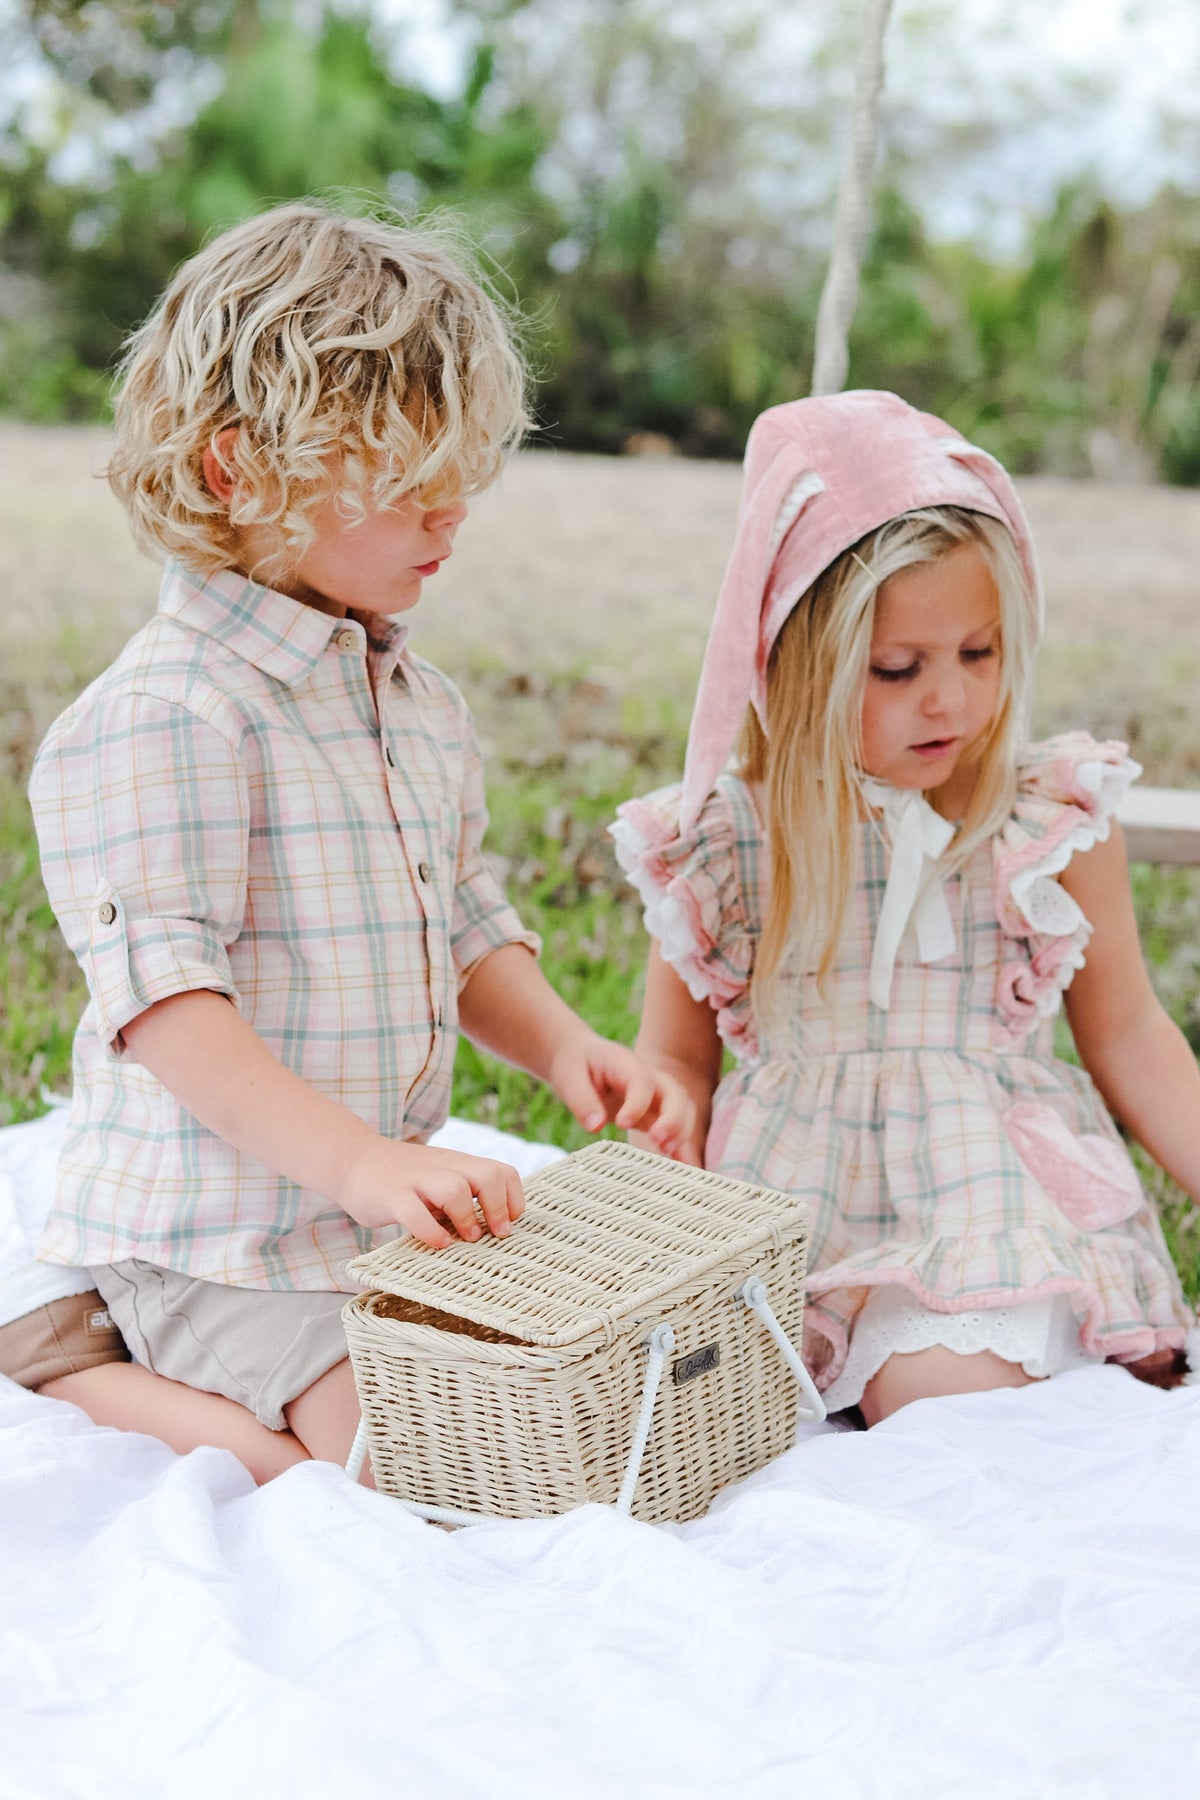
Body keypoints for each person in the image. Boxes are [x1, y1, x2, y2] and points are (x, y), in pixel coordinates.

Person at [23, 201, 691, 1478]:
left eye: (461, 482)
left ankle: (179, 1369)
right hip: (217, 1233)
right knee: (395, 1462)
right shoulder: (164, 718)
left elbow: (466, 923)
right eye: (408, 489)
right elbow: (170, 1009)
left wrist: (565, 1047)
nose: (451, 521)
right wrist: (363, 1163)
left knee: (566, 1404)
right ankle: (80, 1364)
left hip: (362, 1217)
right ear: (237, 470)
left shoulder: (410, 701)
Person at [613, 389, 1198, 1425]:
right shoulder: (725, 842)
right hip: (797, 1202)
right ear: (797, 664)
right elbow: (674, 1069)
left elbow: (1135, 1038)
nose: (953, 701)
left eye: (980, 654)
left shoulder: (1045, 817)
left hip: (985, 1198)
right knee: (746, 1420)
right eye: (898, 669)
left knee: (950, 1409)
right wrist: (654, 1105)